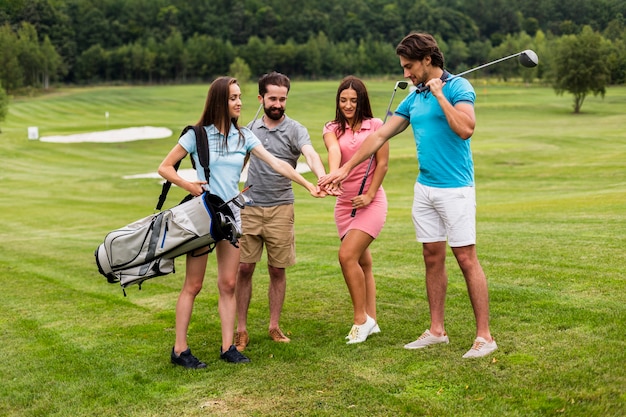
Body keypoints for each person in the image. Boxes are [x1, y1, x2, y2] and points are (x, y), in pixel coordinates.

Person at [318, 32, 497, 358]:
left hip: (456, 189)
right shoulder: (413, 97)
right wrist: (345, 169)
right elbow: (379, 136)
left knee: (466, 258)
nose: (405, 73)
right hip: (425, 188)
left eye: (409, 66)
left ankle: (484, 336)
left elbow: (466, 128)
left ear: (428, 60)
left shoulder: (458, 88)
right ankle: (436, 330)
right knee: (432, 257)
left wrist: (441, 96)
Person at [158, 76, 324, 368]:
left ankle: (227, 348)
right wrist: (189, 185)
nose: (239, 103)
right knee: (193, 285)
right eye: (234, 97)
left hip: (231, 219)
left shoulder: (244, 136)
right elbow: (165, 167)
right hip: (203, 217)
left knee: (229, 283)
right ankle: (180, 349)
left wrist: (308, 184)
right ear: (220, 101)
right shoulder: (195, 135)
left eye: (239, 97)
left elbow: (278, 163)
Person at [234, 72, 329, 352]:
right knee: (244, 268)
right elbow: (239, 163)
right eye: (272, 98)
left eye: (282, 99)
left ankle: (274, 326)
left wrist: (321, 177)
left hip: (281, 208)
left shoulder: (295, 129)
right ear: (261, 98)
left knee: (277, 269)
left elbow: (310, 153)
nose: (277, 103)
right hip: (249, 208)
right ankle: (241, 330)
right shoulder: (249, 129)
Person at [322, 76, 389, 344]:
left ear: (362, 100)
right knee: (364, 262)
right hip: (344, 205)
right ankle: (372, 320)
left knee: (347, 256)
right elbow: (334, 150)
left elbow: (382, 164)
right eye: (343, 100)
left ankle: (360, 320)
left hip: (370, 202)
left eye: (353, 100)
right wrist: (335, 175)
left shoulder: (376, 126)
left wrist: (369, 194)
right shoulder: (332, 127)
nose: (348, 105)